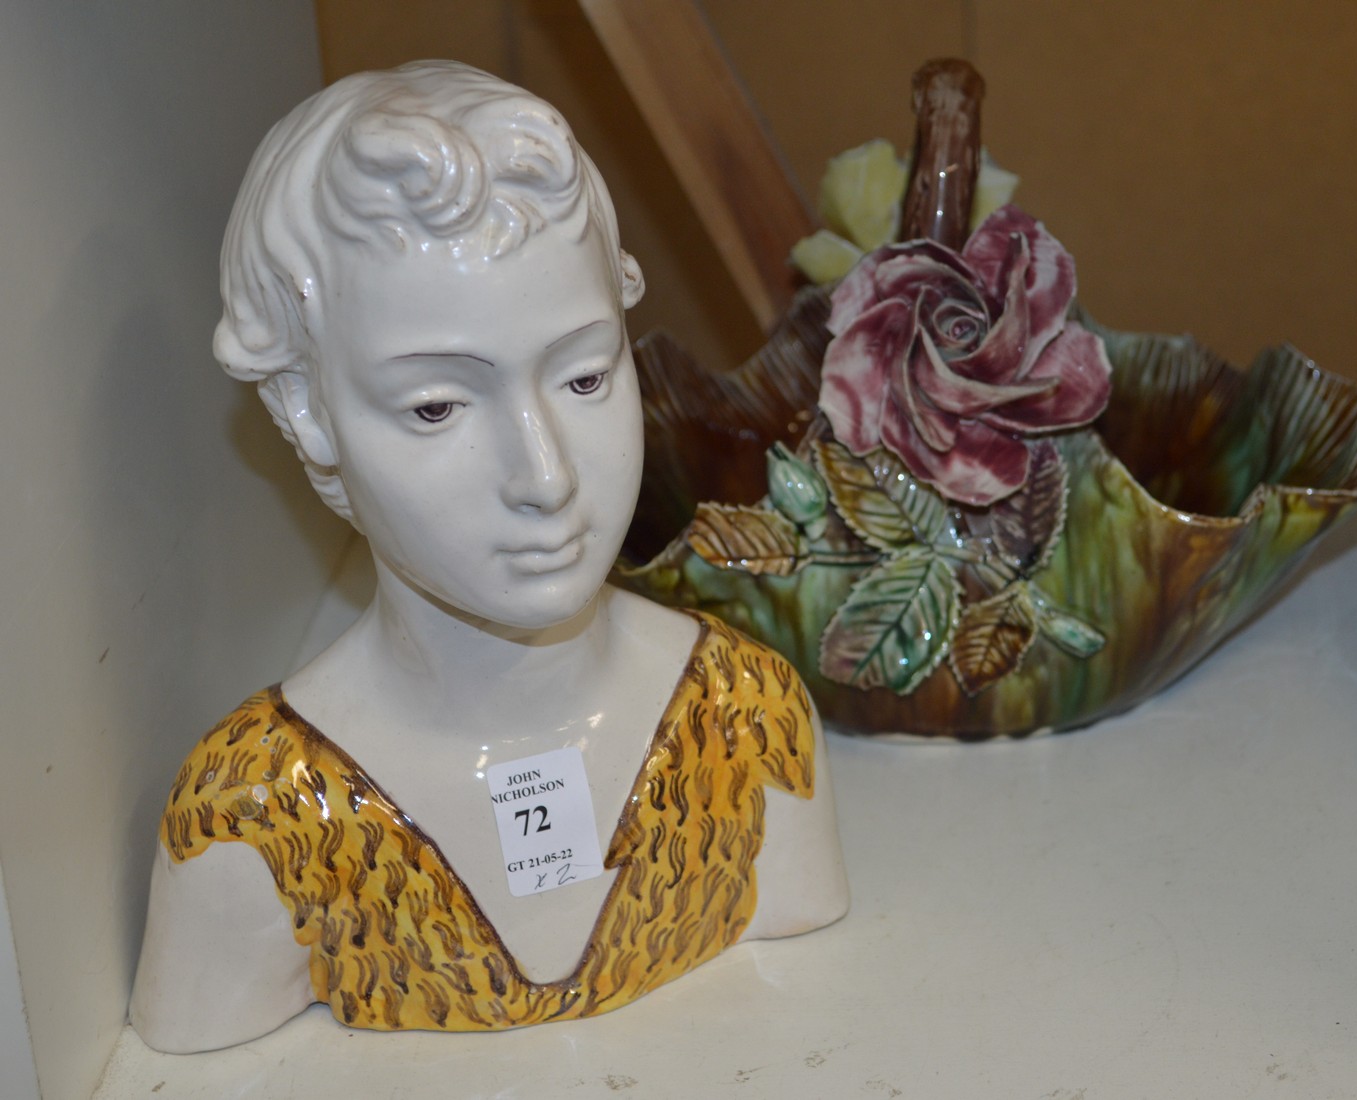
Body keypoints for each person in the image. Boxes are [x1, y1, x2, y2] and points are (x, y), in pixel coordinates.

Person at [128, 60, 849, 1053]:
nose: (545, 475)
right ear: (305, 408)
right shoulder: (255, 826)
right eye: (436, 405)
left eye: (587, 376)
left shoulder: (745, 723)